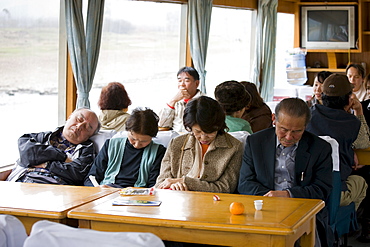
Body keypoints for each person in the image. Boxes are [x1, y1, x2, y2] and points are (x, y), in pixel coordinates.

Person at [238, 97, 334, 247]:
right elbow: (245, 184)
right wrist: (271, 197)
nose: (289, 137)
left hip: (303, 210)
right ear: (274, 119)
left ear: (305, 126)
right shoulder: (255, 142)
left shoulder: (320, 148)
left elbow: (322, 189)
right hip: (263, 208)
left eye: (297, 131)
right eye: (283, 129)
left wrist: (288, 195)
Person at [306, 74, 369, 212]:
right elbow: (364, 144)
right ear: (348, 99)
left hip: (306, 188)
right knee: (361, 183)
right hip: (334, 190)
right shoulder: (352, 123)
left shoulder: (308, 115)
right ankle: (346, 224)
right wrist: (358, 111)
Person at [155, 96, 243, 193]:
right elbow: (162, 182)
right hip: (179, 200)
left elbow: (225, 188)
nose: (203, 137)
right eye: (197, 132)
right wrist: (175, 185)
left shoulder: (234, 147)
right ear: (190, 127)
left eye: (210, 132)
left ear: (219, 126)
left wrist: (185, 182)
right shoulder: (176, 143)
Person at [6, 108, 100, 185]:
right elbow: (27, 153)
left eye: (87, 128)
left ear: (90, 136)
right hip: (21, 182)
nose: (79, 126)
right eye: (79, 119)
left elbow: (76, 173)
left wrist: (46, 164)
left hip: (55, 189)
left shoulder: (87, 151)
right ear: (69, 117)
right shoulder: (42, 137)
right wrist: (61, 157)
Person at [84, 108, 166, 188]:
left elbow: (154, 184)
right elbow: (91, 177)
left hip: (138, 195)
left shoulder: (158, 151)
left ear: (152, 137)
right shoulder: (111, 145)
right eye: (133, 139)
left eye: (143, 141)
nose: (137, 145)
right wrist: (98, 189)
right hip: (107, 191)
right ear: (127, 131)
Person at [158, 67, 206, 133]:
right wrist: (173, 101)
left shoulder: (205, 101)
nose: (182, 84)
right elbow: (162, 124)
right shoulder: (175, 100)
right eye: (179, 81)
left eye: (187, 81)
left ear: (196, 83)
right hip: (175, 136)